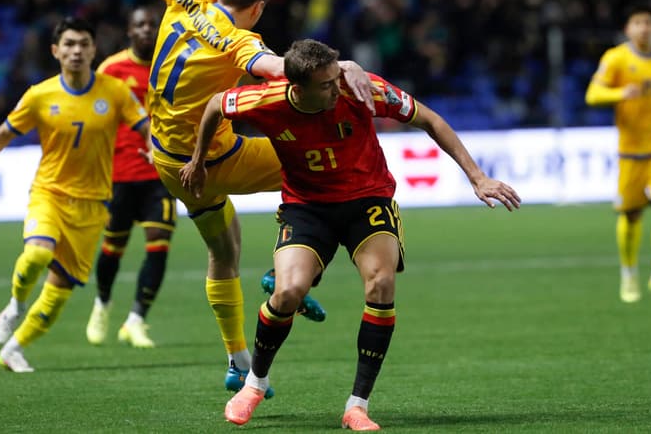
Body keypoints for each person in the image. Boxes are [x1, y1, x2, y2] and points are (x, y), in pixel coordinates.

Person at [98, 0, 380, 394]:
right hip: (212, 158)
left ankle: (237, 359)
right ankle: (287, 272)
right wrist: (341, 67)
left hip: (171, 159)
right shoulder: (238, 39)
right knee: (317, 170)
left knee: (223, 252)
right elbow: (282, 70)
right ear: (256, 8)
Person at [180, 39, 521, 430]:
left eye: (336, 77)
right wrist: (198, 160)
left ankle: (357, 405)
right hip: (307, 207)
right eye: (326, 84)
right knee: (288, 291)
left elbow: (430, 119)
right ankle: (254, 384)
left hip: (368, 201)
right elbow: (214, 105)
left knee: (381, 283)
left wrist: (477, 178)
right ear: (298, 87)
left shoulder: (361, 89)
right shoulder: (265, 101)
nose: (336, 86)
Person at [0, 17, 150, 372]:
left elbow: (146, 126)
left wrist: (153, 147)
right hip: (50, 193)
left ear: (93, 50)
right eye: (69, 44)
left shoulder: (115, 92)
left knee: (59, 293)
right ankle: (14, 305)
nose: (76, 51)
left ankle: (14, 348)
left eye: (83, 44)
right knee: (38, 253)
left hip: (93, 204)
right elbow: (3, 133)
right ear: (55, 51)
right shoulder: (40, 95)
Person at [85, 5, 176, 349]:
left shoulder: (171, 67)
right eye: (140, 24)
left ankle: (136, 319)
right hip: (120, 174)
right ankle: (102, 304)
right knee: (113, 248)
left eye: (153, 24)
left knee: (159, 244)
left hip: (161, 173)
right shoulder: (112, 70)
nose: (147, 29)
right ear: (129, 31)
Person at [585, 4, 651, 303]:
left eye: (648, 23)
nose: (643, 28)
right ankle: (629, 275)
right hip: (630, 152)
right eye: (637, 23)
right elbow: (593, 94)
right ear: (628, 29)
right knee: (632, 216)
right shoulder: (616, 58)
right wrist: (620, 94)